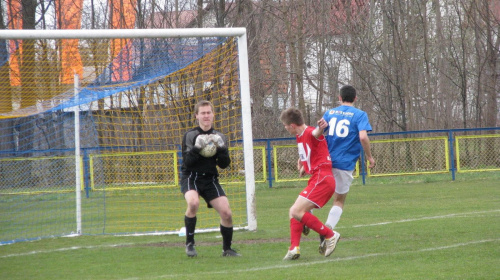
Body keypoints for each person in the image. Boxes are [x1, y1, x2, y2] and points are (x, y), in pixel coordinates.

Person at [316, 85, 376, 254]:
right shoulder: (359, 115)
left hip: (326, 161)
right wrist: (369, 156)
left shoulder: (330, 113)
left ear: (339, 97)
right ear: (355, 98)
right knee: (339, 200)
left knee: (317, 194)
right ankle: (328, 229)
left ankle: (307, 217)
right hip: (344, 163)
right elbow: (363, 136)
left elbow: (318, 133)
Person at [180, 100, 240, 257]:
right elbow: (187, 163)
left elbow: (224, 165)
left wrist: (222, 149)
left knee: (226, 213)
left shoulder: (220, 136)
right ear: (196, 116)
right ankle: (190, 244)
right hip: (191, 177)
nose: (206, 116)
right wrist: (197, 148)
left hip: (210, 179)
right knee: (193, 203)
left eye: (208, 112)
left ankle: (227, 249)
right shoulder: (190, 135)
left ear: (213, 115)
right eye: (203, 113)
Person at [280, 107, 340, 260]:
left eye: (286, 126)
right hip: (318, 178)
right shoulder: (299, 135)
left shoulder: (309, 132)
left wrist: (321, 128)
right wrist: (302, 165)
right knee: (293, 211)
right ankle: (294, 248)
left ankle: (330, 234)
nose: (285, 128)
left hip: (322, 179)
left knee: (296, 211)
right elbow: (307, 152)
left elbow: (315, 134)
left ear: (292, 125)